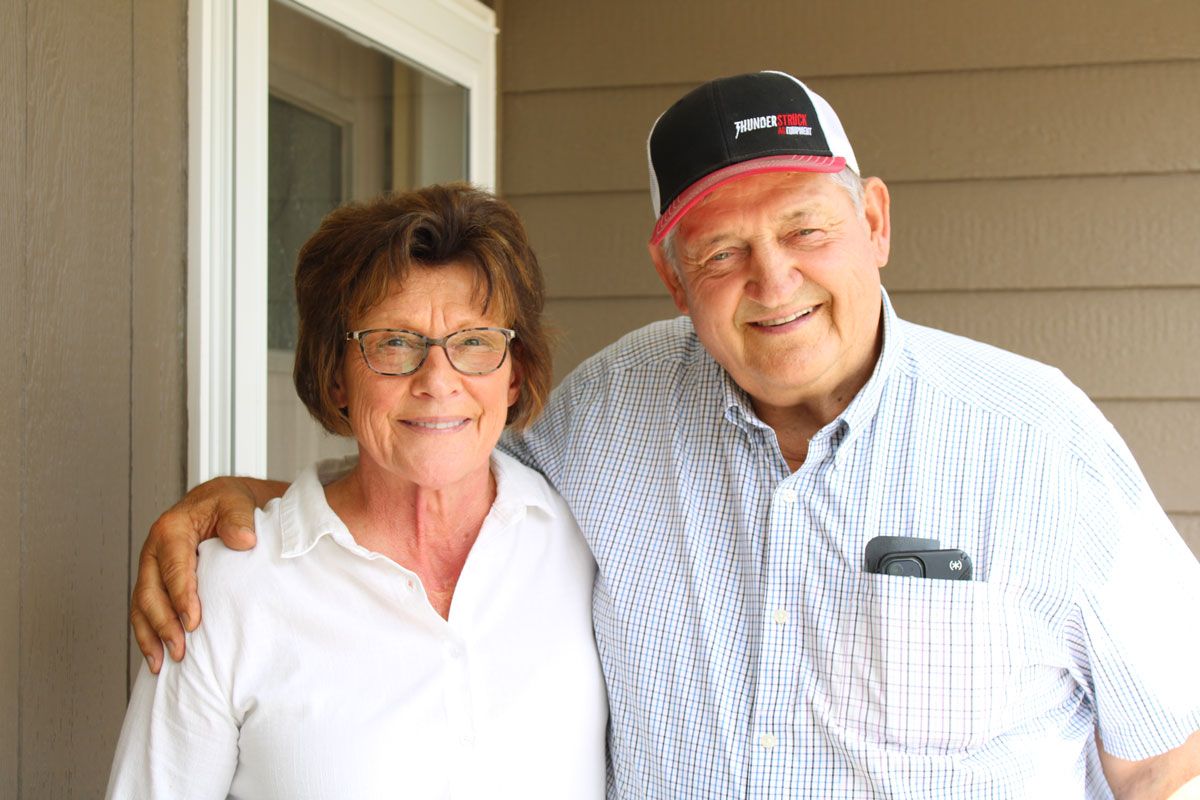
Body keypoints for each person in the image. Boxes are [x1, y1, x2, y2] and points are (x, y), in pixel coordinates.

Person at [131, 72, 1200, 798]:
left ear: (873, 220)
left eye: (805, 229)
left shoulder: (1037, 442)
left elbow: (1169, 759)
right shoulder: (611, 415)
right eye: (722, 248)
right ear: (672, 274)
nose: (772, 280)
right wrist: (248, 499)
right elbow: (431, 459)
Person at [108, 184, 607, 798]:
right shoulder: (230, 591)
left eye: (474, 341)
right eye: (394, 342)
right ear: (336, 378)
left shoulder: (582, 538)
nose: (437, 381)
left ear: (514, 373)